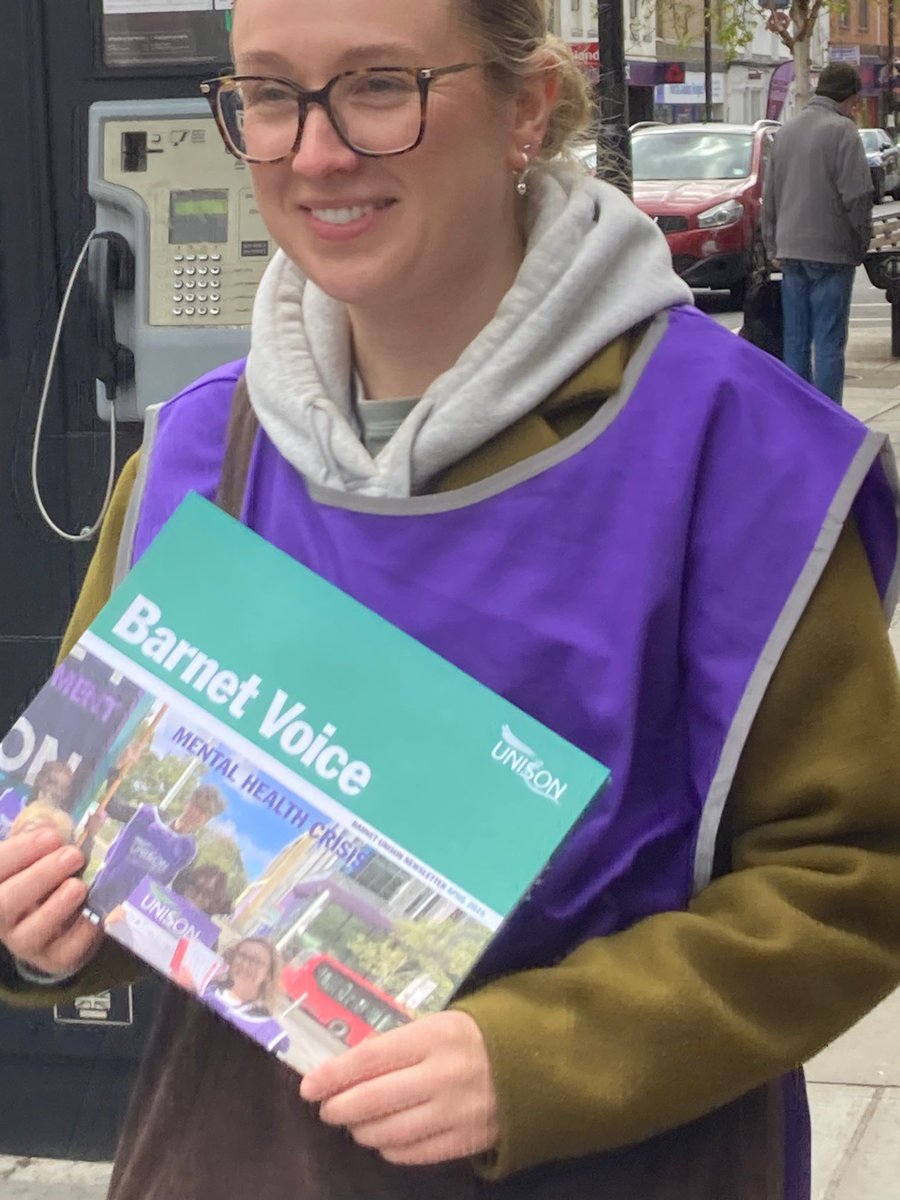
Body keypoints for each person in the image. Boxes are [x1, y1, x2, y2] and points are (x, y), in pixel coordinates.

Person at [1, 2, 899, 1197]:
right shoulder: (193, 451)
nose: (317, 151)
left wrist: (538, 1057)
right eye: (271, 95)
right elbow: (87, 823)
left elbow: (851, 872)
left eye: (379, 85)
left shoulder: (735, 455)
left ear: (528, 107)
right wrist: (40, 918)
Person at [762, 62, 874, 405]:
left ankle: (799, 417)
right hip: (832, 250)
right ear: (849, 97)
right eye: (856, 101)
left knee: (796, 339)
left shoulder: (786, 131)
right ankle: (828, 420)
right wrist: (861, 241)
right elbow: (857, 195)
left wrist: (772, 244)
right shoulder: (844, 131)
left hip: (791, 249)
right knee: (828, 343)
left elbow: (771, 194)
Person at [85, 783, 225, 920]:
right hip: (100, 889)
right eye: (196, 805)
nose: (196, 813)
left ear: (207, 820)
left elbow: (178, 892)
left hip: (128, 914)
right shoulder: (147, 815)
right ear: (186, 803)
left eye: (204, 812)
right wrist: (116, 773)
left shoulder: (189, 852)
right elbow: (112, 806)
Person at [198, 937, 291, 1057]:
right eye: (242, 956)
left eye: (257, 962)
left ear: (268, 975)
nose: (246, 964)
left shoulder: (267, 1030)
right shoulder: (204, 988)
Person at [0, 762, 75, 842]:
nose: (58, 792)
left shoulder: (57, 827)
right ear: (40, 779)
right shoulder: (7, 796)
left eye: (63, 789)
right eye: (53, 783)